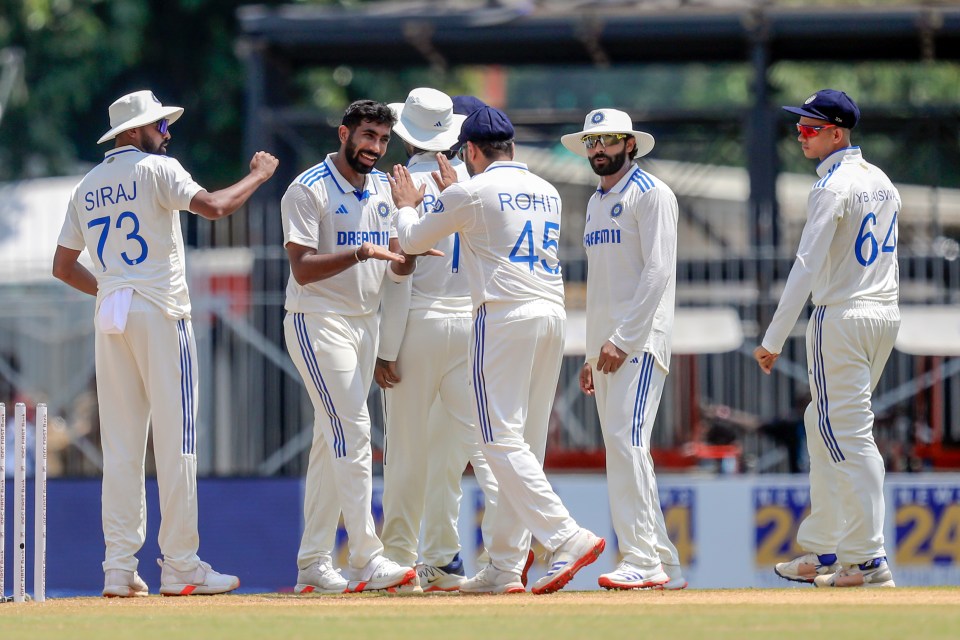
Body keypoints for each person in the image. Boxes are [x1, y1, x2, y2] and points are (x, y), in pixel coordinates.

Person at [52, 89, 278, 597]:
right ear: (135, 131)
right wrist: (259, 175)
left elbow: (62, 267)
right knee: (178, 442)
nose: (167, 132)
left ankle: (117, 567)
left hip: (112, 315)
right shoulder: (159, 170)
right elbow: (217, 207)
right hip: (159, 310)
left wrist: (113, 288)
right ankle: (179, 564)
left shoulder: (86, 186)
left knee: (122, 446)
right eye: (159, 125)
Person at [389, 105, 605, 595]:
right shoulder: (545, 189)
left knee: (495, 438)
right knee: (525, 442)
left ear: (468, 151)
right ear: (511, 147)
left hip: (503, 315)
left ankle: (565, 536)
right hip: (552, 315)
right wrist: (456, 199)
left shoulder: (471, 190)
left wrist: (407, 202)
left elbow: (411, 239)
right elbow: (490, 227)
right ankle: (506, 564)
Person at [754, 89, 900, 588]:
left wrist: (774, 336)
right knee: (821, 423)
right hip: (882, 312)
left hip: (842, 315)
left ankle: (865, 558)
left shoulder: (833, 186)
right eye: (800, 125)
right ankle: (825, 548)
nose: (801, 133)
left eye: (811, 127)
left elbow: (806, 264)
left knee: (848, 435)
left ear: (837, 132)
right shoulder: (881, 180)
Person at [281, 99, 423, 594]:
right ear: (344, 133)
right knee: (355, 430)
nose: (375, 148)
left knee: (331, 440)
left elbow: (397, 264)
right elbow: (302, 267)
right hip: (316, 319)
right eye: (367, 136)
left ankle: (313, 564)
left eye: (383, 140)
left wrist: (409, 253)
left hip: (364, 322)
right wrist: (363, 250)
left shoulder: (386, 187)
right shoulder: (307, 188)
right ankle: (366, 555)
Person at [376, 88, 501, 592]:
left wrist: (385, 348)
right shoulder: (468, 182)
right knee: (469, 450)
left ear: (404, 135)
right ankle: (475, 557)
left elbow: (398, 271)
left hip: (419, 325)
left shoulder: (399, 184)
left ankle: (402, 562)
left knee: (406, 451)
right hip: (469, 326)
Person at [562, 108, 688, 590]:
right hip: (610, 348)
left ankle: (641, 558)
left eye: (608, 141)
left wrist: (622, 339)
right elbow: (603, 286)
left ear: (630, 144)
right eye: (592, 142)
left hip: (638, 343)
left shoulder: (652, 194)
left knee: (627, 444)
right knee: (625, 447)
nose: (598, 149)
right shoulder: (596, 202)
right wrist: (594, 352)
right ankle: (663, 561)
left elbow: (658, 273)